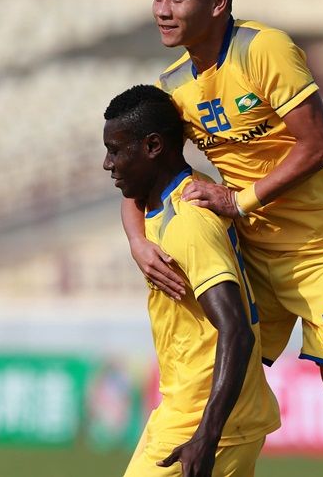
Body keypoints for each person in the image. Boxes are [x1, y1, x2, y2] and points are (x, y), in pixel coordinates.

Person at [121, 0, 323, 477]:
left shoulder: (263, 49)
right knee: (223, 380)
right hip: (256, 254)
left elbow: (318, 144)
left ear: (218, 2)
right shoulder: (174, 84)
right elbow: (138, 166)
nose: (162, 9)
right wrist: (137, 239)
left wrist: (238, 198)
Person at [104, 85, 280, 477]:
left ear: (152, 146)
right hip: (188, 409)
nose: (107, 163)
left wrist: (207, 434)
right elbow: (132, 199)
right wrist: (136, 241)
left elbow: (236, 329)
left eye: (116, 150)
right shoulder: (174, 192)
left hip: (206, 421)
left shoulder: (189, 220)